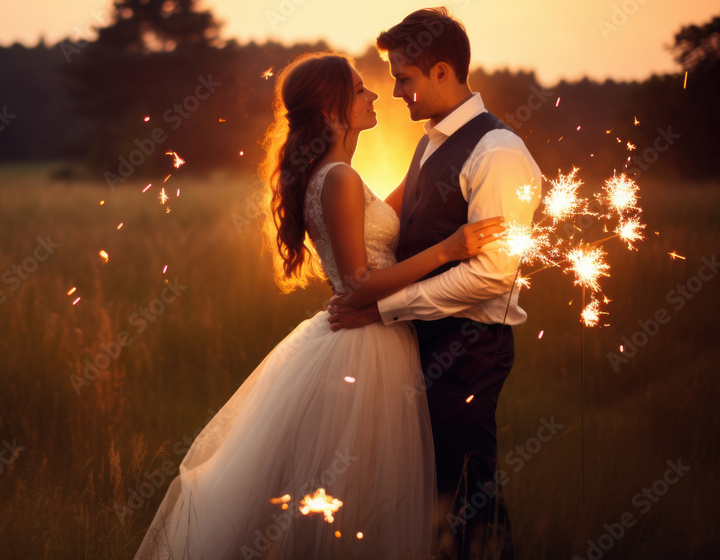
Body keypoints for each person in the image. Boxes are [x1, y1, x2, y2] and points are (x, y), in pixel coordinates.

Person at [134, 51, 505, 560]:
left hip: (363, 339)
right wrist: (449, 249)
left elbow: (391, 211)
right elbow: (358, 283)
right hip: (367, 346)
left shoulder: (338, 177)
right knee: (365, 486)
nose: (374, 94)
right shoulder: (339, 179)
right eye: (358, 89)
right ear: (332, 111)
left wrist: (434, 145)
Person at [328, 8, 542, 560]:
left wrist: (385, 308)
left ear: (442, 71)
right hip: (425, 339)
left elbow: (493, 273)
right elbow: (396, 219)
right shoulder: (430, 140)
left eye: (403, 77)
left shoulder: (498, 153)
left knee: (468, 489)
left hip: (471, 346)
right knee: (431, 493)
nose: (395, 90)